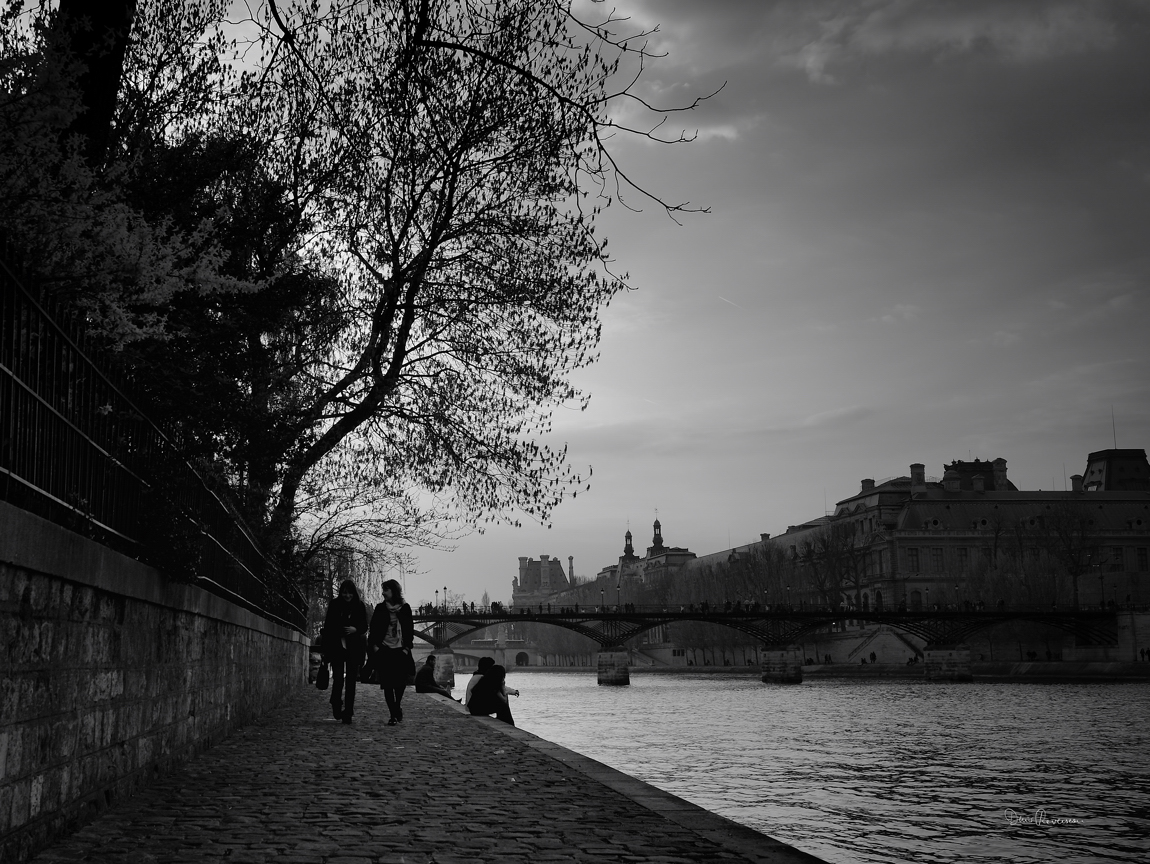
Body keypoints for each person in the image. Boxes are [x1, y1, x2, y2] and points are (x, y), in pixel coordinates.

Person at [321, 580, 369, 724]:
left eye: (349, 593)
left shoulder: (359, 606)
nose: (347, 595)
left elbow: (364, 626)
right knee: (338, 679)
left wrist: (355, 629)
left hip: (353, 647)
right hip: (337, 646)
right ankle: (336, 702)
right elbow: (328, 626)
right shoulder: (335, 605)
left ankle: (348, 711)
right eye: (345, 592)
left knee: (351, 682)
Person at [369, 579, 414, 726]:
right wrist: (375, 646)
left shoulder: (405, 608)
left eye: (386, 590)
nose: (383, 593)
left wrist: (407, 648)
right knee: (387, 684)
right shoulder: (380, 608)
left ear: (393, 591)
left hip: (400, 650)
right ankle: (393, 714)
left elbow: (409, 629)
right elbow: (374, 628)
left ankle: (396, 706)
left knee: (400, 684)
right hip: (385, 649)